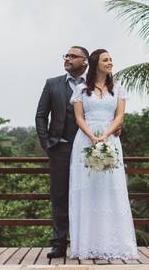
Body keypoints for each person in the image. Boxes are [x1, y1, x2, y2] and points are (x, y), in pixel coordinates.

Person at [68, 49, 138, 260]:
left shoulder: (118, 89)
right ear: (95, 63)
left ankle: (113, 243)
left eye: (111, 60)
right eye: (106, 60)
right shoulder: (81, 90)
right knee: (88, 189)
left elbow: (120, 116)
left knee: (110, 189)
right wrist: (92, 137)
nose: (110, 63)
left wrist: (106, 135)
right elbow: (79, 118)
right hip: (85, 140)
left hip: (110, 140)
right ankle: (87, 244)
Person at [35, 46, 88, 259]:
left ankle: (84, 242)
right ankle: (59, 244)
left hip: (87, 150)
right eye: (66, 55)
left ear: (84, 61)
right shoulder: (52, 84)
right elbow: (40, 116)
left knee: (87, 195)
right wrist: (47, 143)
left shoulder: (94, 84)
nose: (67, 59)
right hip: (61, 149)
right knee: (59, 197)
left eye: (73, 56)